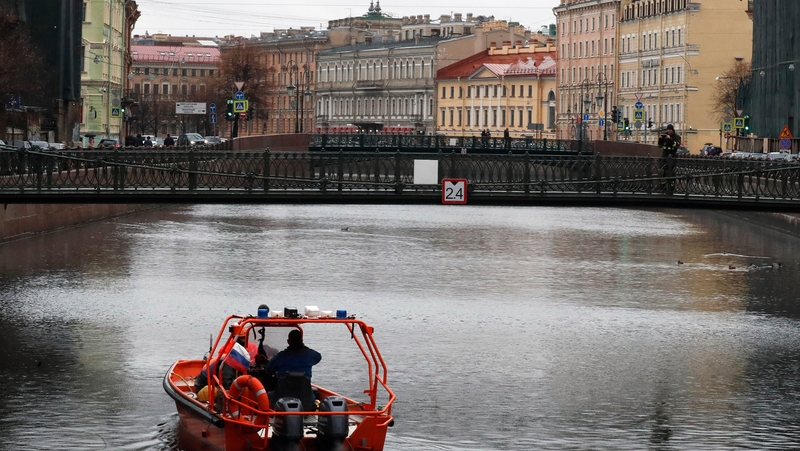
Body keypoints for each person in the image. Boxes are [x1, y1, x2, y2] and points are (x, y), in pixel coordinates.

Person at [657, 124, 681, 192]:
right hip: (665, 155)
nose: (668, 131)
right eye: (667, 129)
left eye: (669, 129)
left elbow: (676, 145)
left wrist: (670, 139)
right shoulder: (665, 135)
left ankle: (671, 188)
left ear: (672, 130)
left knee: (672, 172)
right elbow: (659, 145)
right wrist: (660, 139)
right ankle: (663, 188)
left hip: (672, 155)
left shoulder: (676, 137)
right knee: (663, 172)